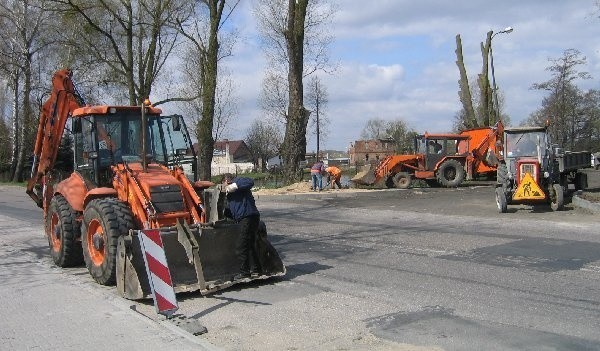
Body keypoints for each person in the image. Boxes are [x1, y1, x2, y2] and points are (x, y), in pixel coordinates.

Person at [222, 173, 262, 280]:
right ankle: (256, 270)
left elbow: (250, 181)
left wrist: (234, 185)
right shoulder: (231, 195)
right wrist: (224, 212)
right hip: (248, 217)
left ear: (227, 181)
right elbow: (234, 212)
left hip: (248, 217)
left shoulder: (239, 183)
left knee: (241, 245)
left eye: (225, 183)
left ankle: (244, 272)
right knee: (249, 245)